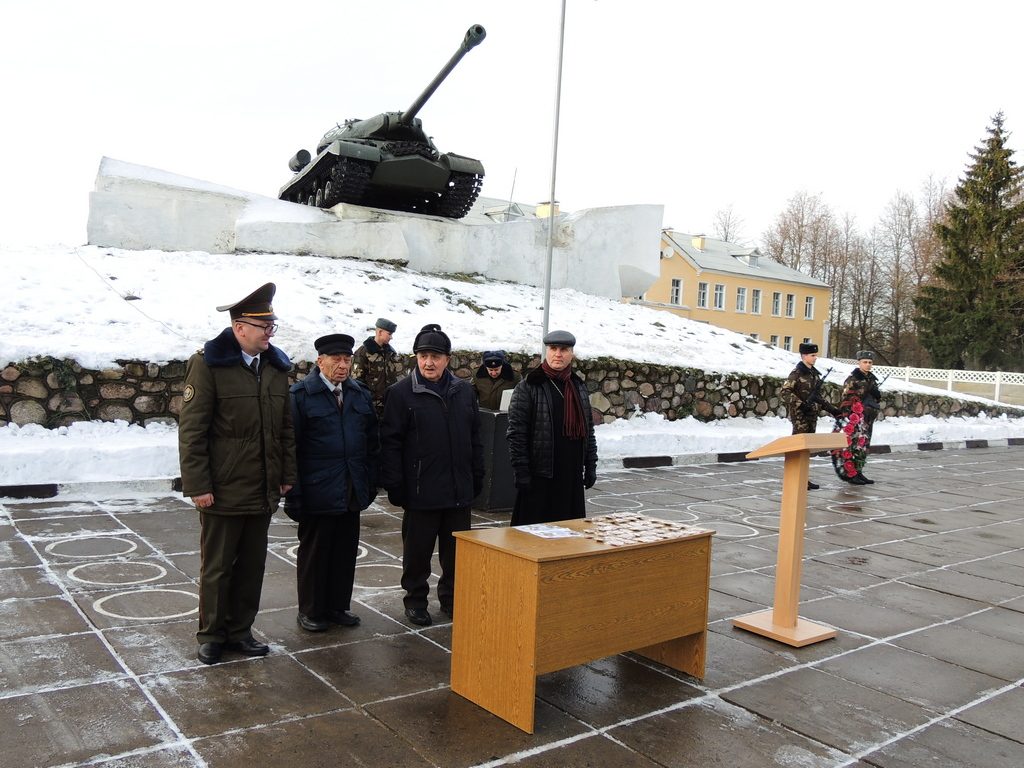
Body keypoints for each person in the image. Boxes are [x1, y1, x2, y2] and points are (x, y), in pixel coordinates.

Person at [178, 282, 297, 665]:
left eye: (272, 327)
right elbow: (192, 430)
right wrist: (198, 485)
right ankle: (211, 634)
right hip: (223, 489)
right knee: (217, 567)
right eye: (264, 327)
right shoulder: (208, 364)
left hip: (262, 487)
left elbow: (285, 428)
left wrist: (285, 474)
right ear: (239, 327)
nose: (270, 333)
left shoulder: (276, 368)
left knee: (251, 566)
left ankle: (240, 630)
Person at [379, 323, 484, 626]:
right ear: (415, 357)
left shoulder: (463, 391)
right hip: (421, 491)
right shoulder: (400, 394)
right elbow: (390, 443)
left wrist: (477, 475)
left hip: (457, 491)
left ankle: (451, 599)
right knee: (417, 554)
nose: (429, 362)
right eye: (424, 355)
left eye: (436, 356)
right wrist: (395, 485)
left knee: (456, 556)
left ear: (448, 359)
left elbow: (475, 437)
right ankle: (415, 600)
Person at [286, 333, 379, 632]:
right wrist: (294, 491)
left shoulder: (359, 394)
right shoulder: (300, 396)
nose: (342, 366)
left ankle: (338, 606)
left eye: (347, 360)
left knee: (344, 551)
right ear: (320, 361)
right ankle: (311, 610)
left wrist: (370, 481)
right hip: (317, 490)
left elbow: (371, 443)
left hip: (350, 488)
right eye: (336, 360)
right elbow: (291, 448)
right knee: (316, 553)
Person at [507, 330, 598, 526]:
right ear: (546, 351)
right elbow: (516, 434)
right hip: (540, 476)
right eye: (553, 348)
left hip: (570, 476)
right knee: (533, 539)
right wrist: (521, 471)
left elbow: (588, 431)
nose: (558, 354)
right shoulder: (529, 385)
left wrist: (590, 465)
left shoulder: (577, 385)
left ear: (571, 353)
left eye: (564, 349)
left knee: (568, 536)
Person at [780, 342, 839, 491]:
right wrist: (800, 404)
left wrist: (832, 409)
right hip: (800, 416)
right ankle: (795, 478)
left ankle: (804, 478)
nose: (815, 358)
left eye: (815, 355)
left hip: (812, 415)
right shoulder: (797, 373)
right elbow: (785, 392)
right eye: (812, 355)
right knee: (799, 447)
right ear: (804, 356)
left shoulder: (814, 374)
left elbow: (818, 397)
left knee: (807, 449)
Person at [841, 350, 881, 484]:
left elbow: (876, 398)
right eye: (865, 362)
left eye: (870, 362)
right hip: (857, 418)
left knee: (864, 445)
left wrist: (876, 395)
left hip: (868, 418)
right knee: (854, 445)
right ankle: (851, 474)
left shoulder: (871, 379)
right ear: (859, 363)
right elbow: (846, 397)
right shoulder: (853, 379)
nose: (868, 365)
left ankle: (859, 471)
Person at [352, 317, 406, 417]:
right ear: (380, 332)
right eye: (389, 334)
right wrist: (364, 401)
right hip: (370, 406)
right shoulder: (363, 352)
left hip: (389, 404)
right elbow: (356, 381)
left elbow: (398, 375)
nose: (391, 337)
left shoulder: (391, 353)